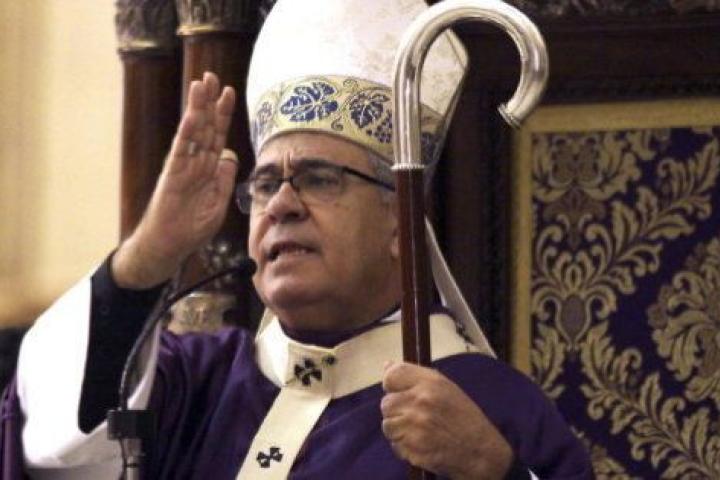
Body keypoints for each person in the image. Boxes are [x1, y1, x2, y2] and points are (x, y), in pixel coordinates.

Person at [5, 0, 594, 479]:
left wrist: (495, 472)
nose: (282, 204)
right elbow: (50, 443)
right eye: (264, 185)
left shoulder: (487, 407)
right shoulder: (190, 382)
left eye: (319, 178)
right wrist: (150, 253)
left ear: (399, 222)